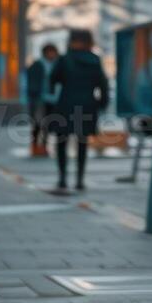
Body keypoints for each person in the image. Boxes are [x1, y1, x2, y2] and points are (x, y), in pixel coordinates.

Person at [47, 29, 109, 192]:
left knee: (62, 142)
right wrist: (102, 104)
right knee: (82, 143)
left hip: (66, 104)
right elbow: (102, 84)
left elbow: (53, 79)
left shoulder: (65, 59)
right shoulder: (95, 60)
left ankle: (62, 178)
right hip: (88, 104)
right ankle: (80, 180)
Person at [23, 43, 59, 158]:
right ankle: (34, 147)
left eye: (53, 52)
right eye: (50, 52)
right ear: (45, 53)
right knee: (37, 124)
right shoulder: (37, 65)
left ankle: (44, 147)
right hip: (38, 99)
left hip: (51, 99)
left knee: (47, 124)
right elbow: (31, 82)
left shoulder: (56, 64)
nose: (52, 54)